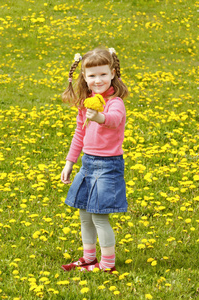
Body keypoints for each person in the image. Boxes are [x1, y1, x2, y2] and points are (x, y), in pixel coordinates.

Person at [60, 47, 129, 273]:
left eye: (102, 74)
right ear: (84, 77)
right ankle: (89, 257)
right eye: (92, 75)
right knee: (85, 216)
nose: (97, 80)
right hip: (87, 165)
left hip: (108, 167)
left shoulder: (114, 103)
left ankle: (107, 264)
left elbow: (113, 120)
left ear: (113, 73)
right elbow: (79, 134)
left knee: (100, 218)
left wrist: (98, 117)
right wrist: (70, 163)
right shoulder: (87, 102)